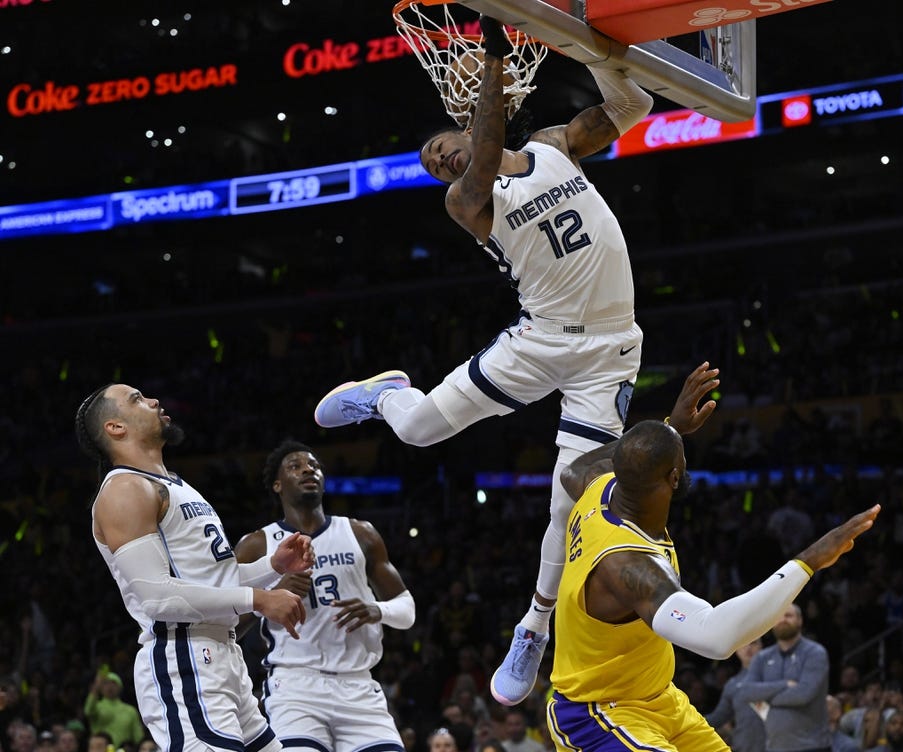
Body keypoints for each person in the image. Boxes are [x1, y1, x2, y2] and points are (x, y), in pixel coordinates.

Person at [311, 15, 654, 707]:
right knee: (414, 431)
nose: (440, 161)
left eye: (442, 147)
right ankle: (384, 394)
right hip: (541, 339)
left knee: (571, 498)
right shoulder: (469, 200)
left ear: (465, 129)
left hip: (609, 348)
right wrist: (496, 58)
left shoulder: (556, 146)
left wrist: (597, 53)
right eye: (434, 162)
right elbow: (490, 146)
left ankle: (533, 626)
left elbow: (633, 105)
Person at [542, 363, 880, 751]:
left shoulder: (601, 487)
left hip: (658, 699)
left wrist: (671, 429)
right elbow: (717, 637)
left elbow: (572, 470)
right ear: (673, 478)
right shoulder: (630, 566)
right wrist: (809, 561)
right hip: (598, 713)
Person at [74, 384, 313, 752]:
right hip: (183, 658)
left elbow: (212, 580)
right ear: (115, 428)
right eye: (136, 399)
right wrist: (259, 600)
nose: (153, 400)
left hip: (222, 656)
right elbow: (156, 597)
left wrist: (272, 566)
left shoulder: (176, 485)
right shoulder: (125, 489)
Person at [234, 439, 415, 752]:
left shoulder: (361, 533)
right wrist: (269, 597)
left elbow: (407, 609)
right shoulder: (256, 545)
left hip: (358, 685)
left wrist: (377, 610)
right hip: (295, 686)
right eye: (295, 466)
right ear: (277, 485)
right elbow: (228, 624)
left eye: (313, 465)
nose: (307, 469)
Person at [739, 605, 832, 752]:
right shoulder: (762, 657)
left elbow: (803, 694)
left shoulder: (815, 653)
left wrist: (766, 697)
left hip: (812, 745)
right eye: (778, 617)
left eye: (788, 615)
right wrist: (785, 685)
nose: (782, 620)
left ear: (800, 620)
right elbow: (746, 692)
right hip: (774, 747)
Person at [706, 638, 766, 752]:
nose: (748, 648)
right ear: (736, 650)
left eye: (753, 643)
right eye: (743, 644)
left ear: (761, 646)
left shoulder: (778, 675)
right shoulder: (732, 685)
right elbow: (717, 718)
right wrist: (686, 721)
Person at [82, 671, 143, 748]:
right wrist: (95, 690)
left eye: (113, 683)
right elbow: (88, 711)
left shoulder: (130, 710)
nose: (110, 686)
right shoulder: (96, 707)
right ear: (100, 688)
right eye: (105, 683)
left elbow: (138, 737)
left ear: (120, 687)